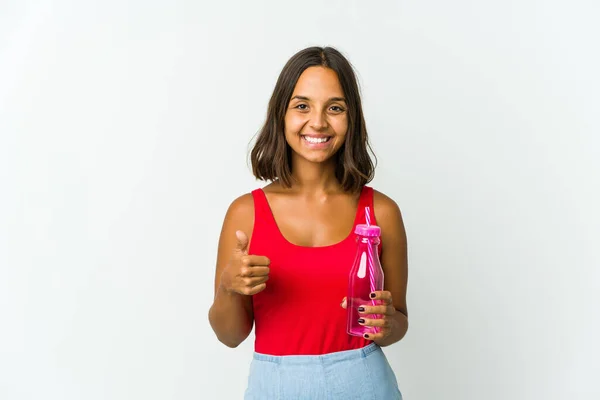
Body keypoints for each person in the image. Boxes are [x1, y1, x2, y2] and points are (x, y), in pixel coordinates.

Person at [208, 46, 409, 399]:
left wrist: (388, 324)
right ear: (281, 115)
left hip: (364, 383)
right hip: (276, 385)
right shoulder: (245, 213)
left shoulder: (382, 212)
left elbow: (398, 324)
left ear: (352, 118)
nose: (318, 122)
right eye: (302, 106)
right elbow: (230, 336)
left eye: (335, 108)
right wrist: (228, 287)